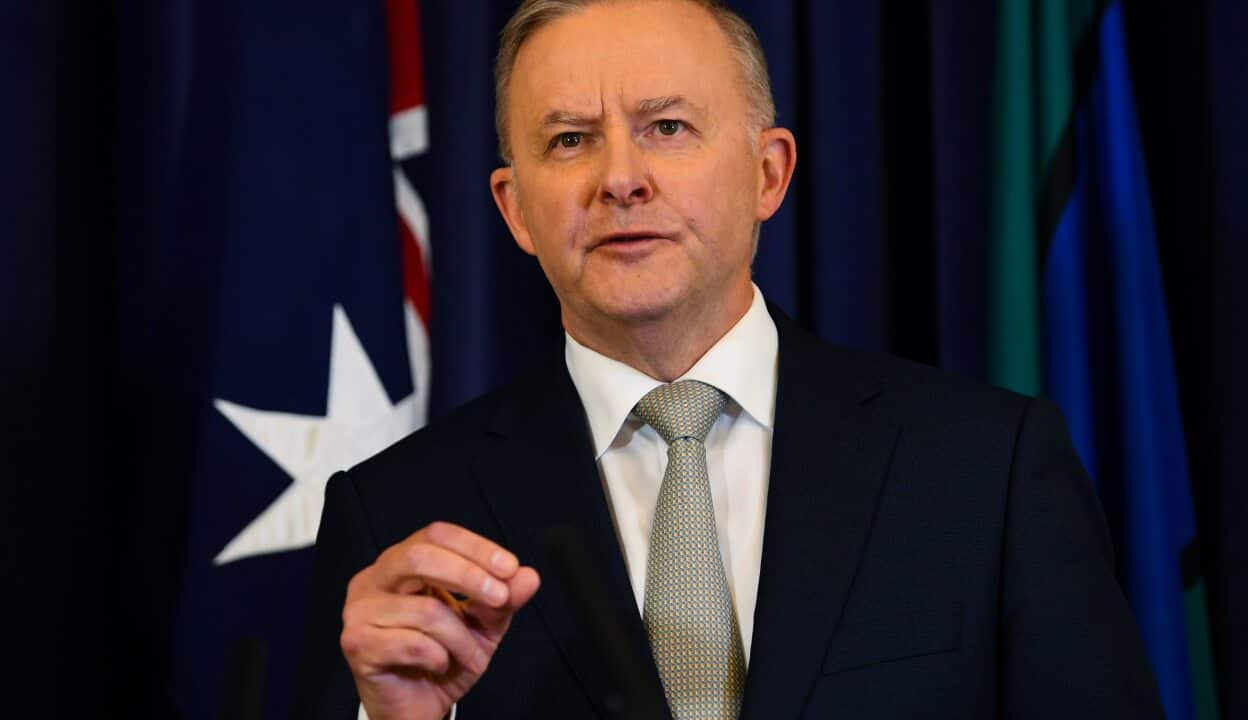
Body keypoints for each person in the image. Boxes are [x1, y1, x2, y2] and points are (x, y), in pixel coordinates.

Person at [295, 1, 1165, 718]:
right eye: (569, 140)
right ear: (515, 208)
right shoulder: (397, 513)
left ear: (768, 174)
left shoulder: (988, 466)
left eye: (667, 127)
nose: (620, 179)